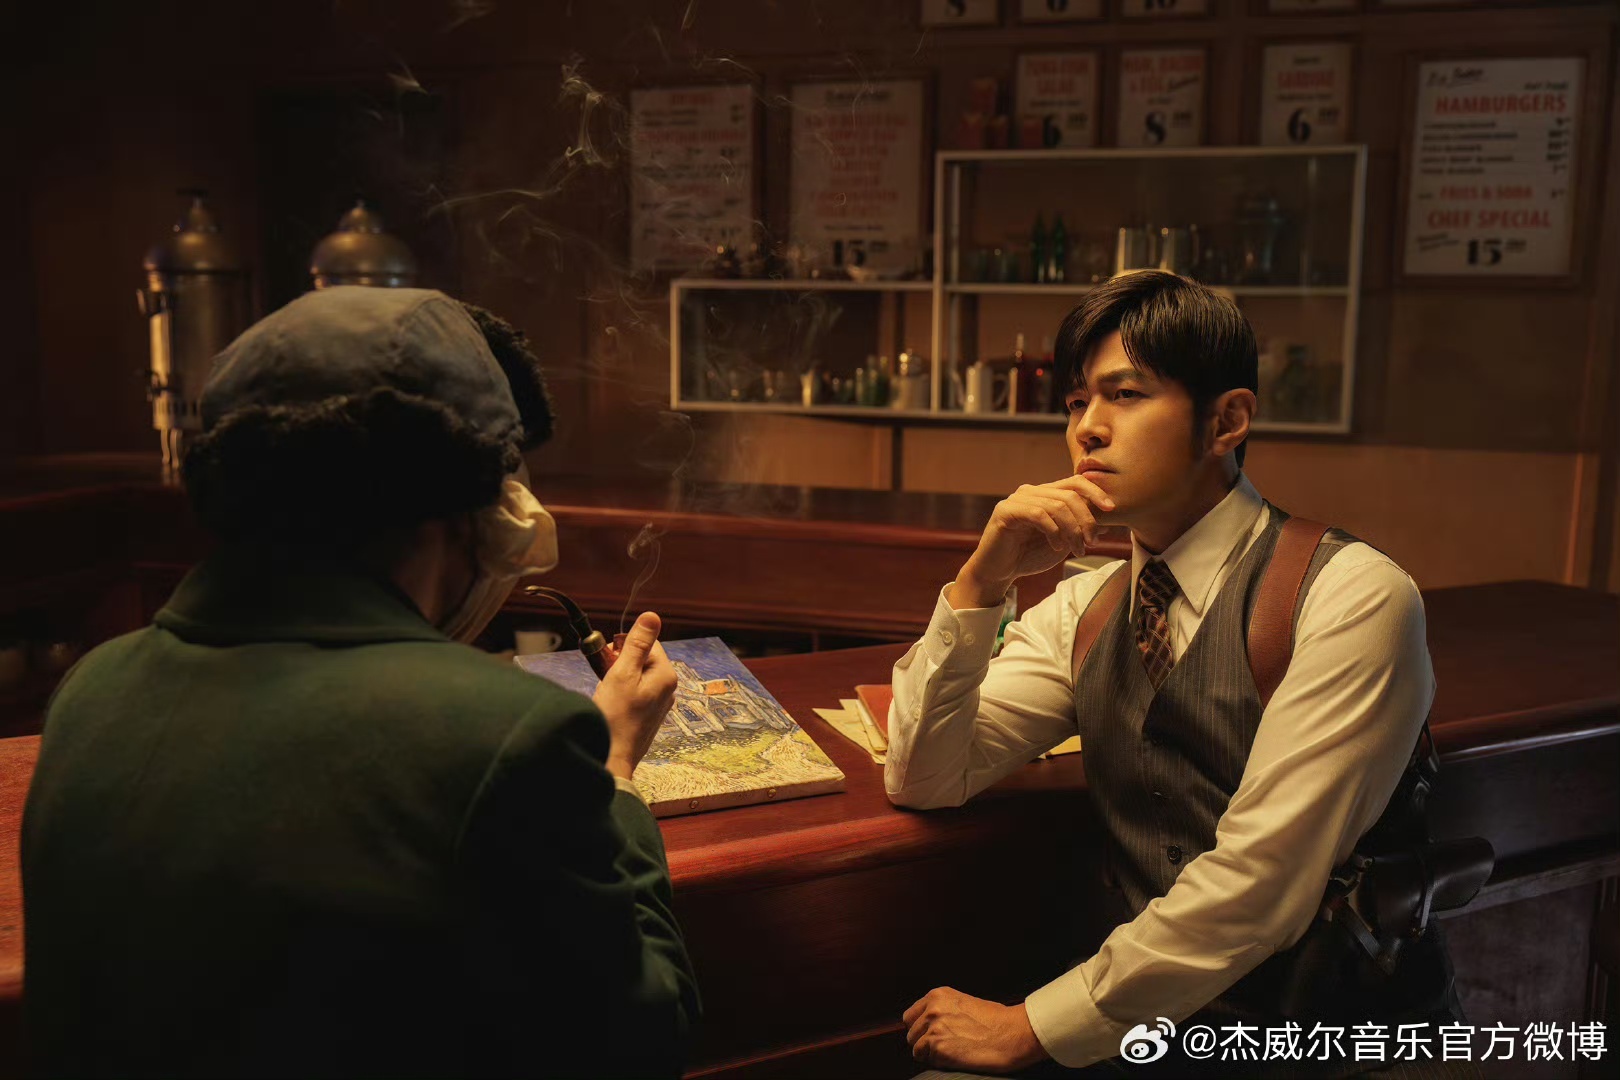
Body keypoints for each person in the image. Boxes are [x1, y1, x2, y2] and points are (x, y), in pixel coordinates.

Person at [22, 287, 700, 1078]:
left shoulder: (91, 691)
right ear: (466, 512)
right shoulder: (508, 734)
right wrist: (615, 773)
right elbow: (644, 1042)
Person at [887, 272, 1464, 1078]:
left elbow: (1261, 885)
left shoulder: (1352, 595)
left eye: (1125, 395)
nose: (1087, 429)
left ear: (1226, 420)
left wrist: (1031, 1027)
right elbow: (925, 776)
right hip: (1158, 1035)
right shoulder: (1086, 607)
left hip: (1331, 1042)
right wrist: (981, 583)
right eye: (1076, 402)